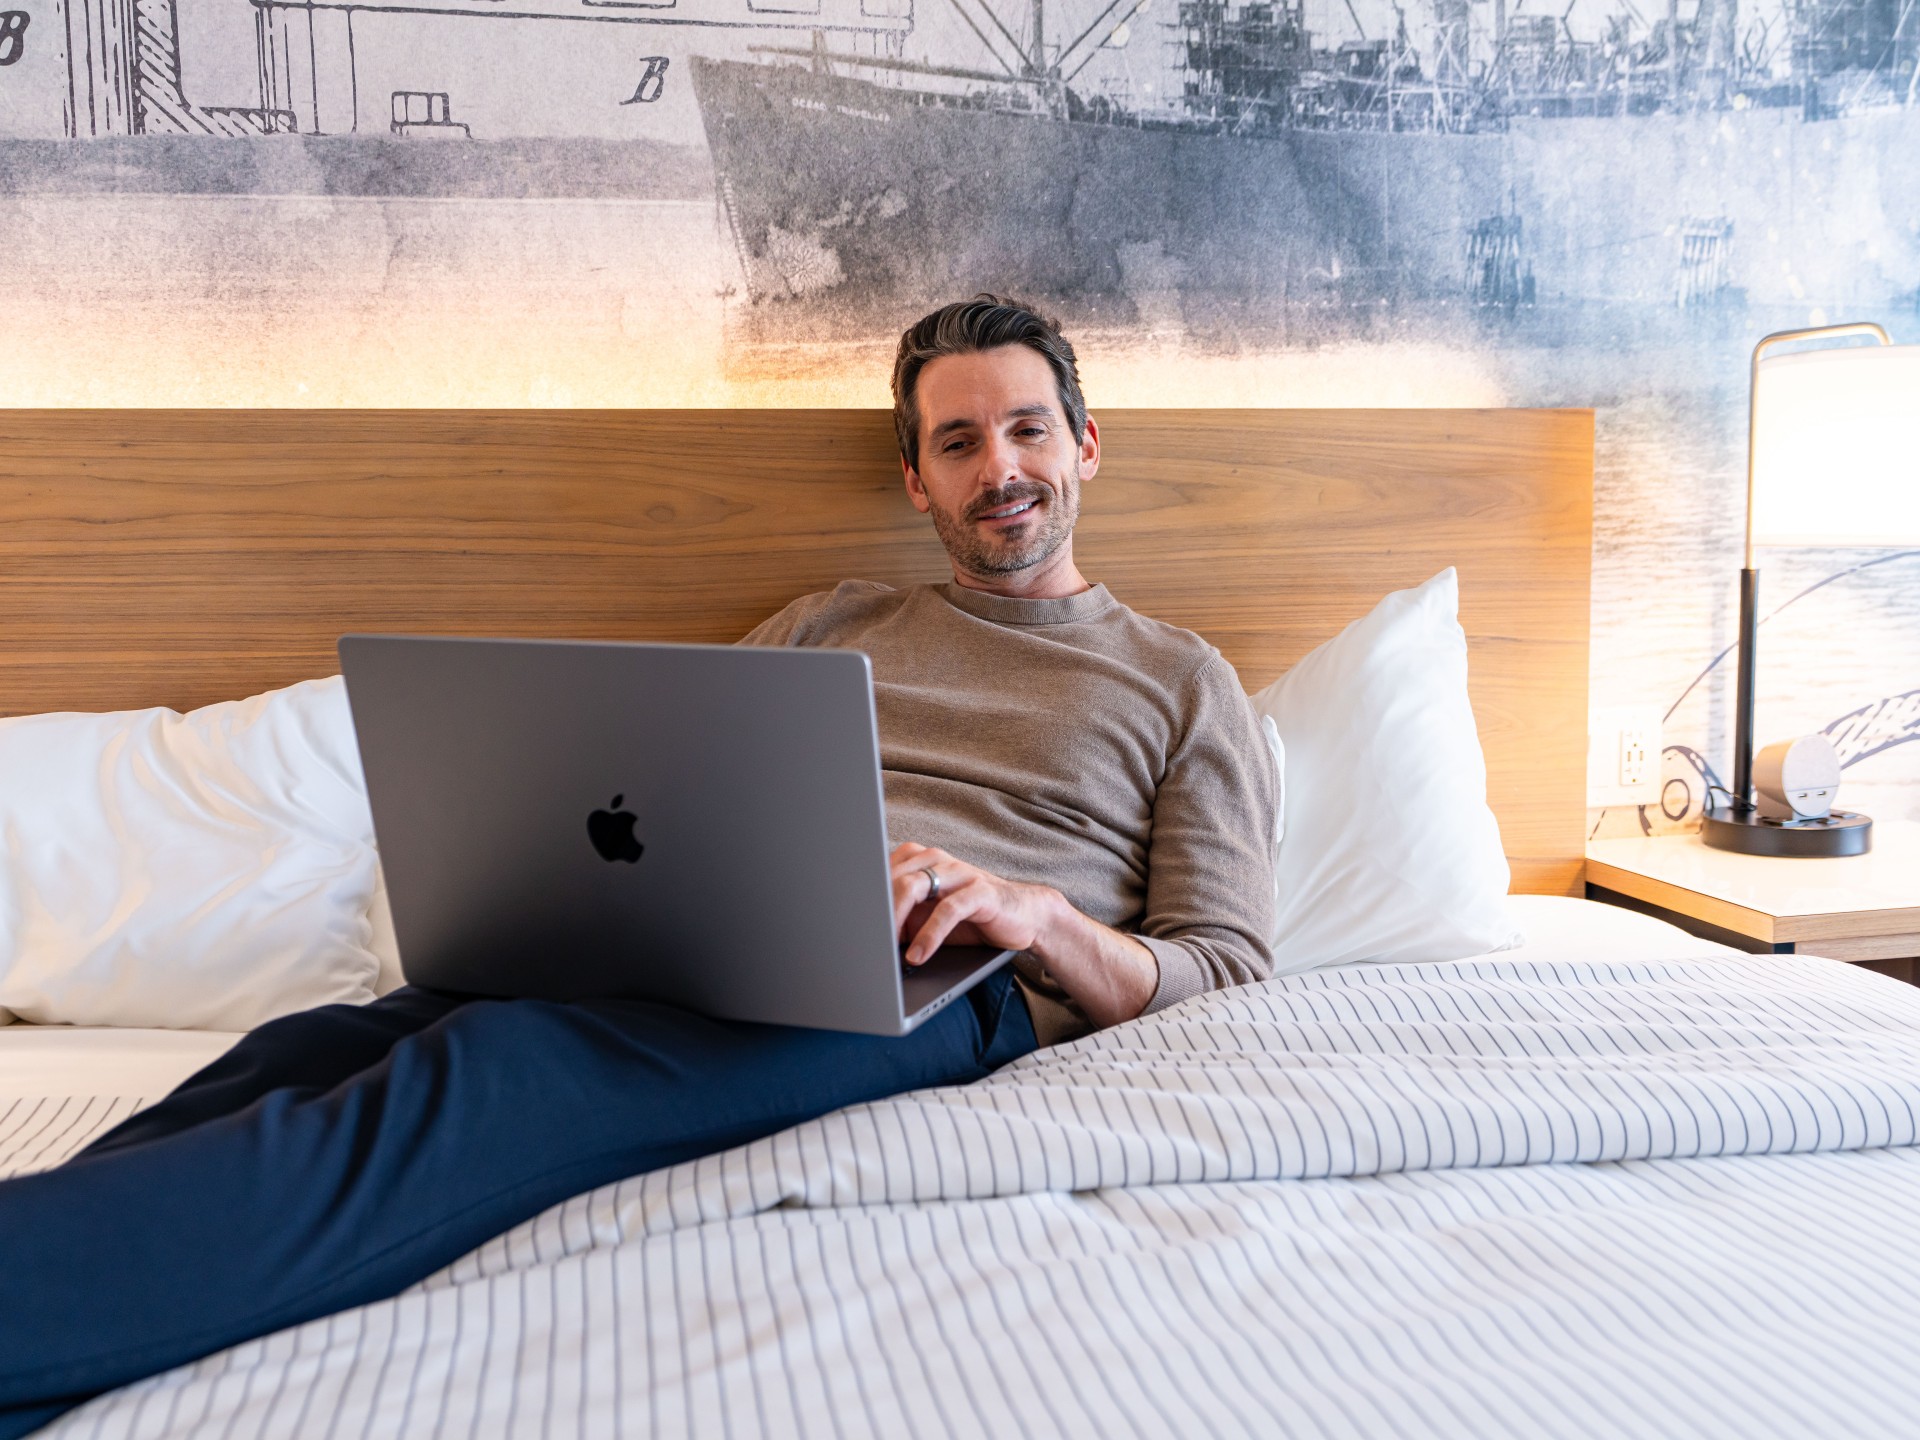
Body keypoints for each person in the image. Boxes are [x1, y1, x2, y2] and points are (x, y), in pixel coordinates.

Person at [0, 295, 1278, 1437]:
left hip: (931, 979)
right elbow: (666, 791)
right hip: (702, 934)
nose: (999, 467)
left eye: (1027, 429)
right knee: (292, 1056)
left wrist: (1035, 916)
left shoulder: (1180, 680)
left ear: (1085, 445)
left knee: (492, 1082)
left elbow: (1225, 973)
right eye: (959, 443)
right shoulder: (829, 622)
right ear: (915, 481)